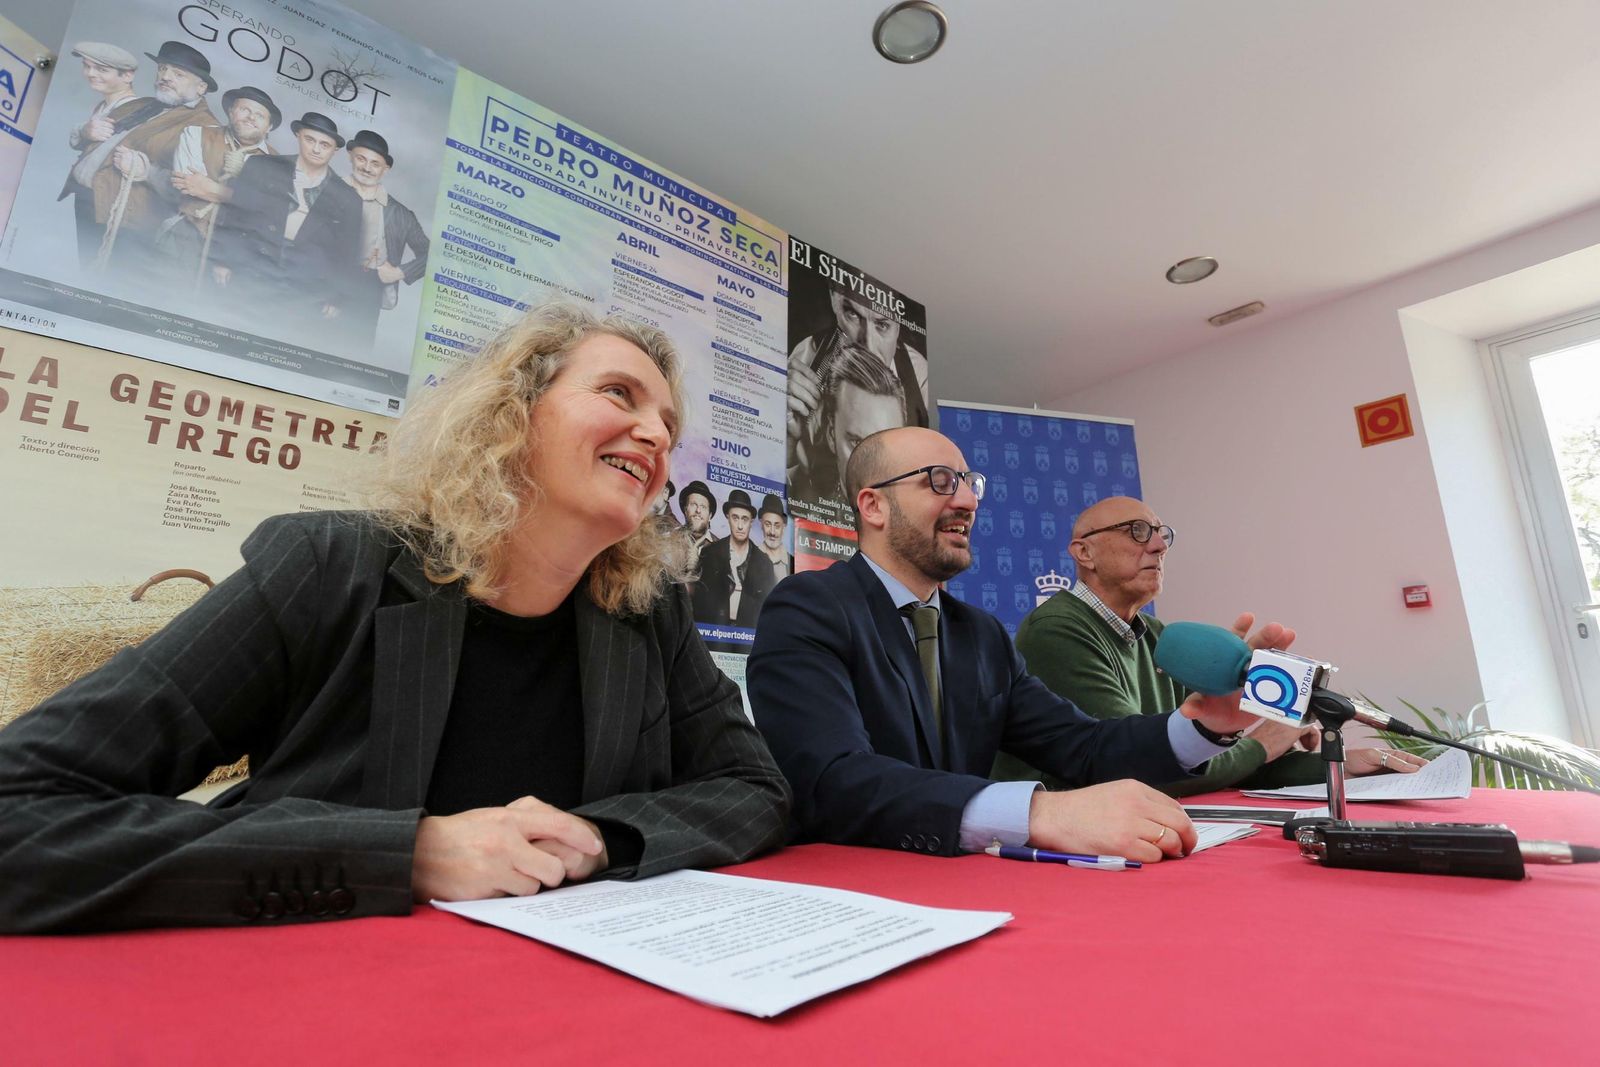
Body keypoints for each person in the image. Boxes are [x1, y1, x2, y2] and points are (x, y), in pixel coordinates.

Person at [0, 302, 790, 933]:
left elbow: (755, 787)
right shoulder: (329, 569)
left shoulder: (648, 614)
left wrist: (600, 840)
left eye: (669, 424)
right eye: (619, 393)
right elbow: (21, 809)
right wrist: (406, 851)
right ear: (511, 412)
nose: (656, 434)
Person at [748, 426, 1287, 863]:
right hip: (849, 888)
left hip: (969, 889)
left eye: (968, 482)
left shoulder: (981, 634)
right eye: (939, 481)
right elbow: (830, 777)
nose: (965, 500)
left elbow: (1083, 746)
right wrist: (1039, 815)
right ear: (873, 506)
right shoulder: (808, 607)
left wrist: (1202, 726)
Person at [999, 496, 1426, 793]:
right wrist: (1265, 740)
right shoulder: (1056, 629)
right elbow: (1138, 766)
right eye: (1137, 531)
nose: (1159, 545)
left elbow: (1203, 759)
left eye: (1162, 533)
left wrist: (1336, 765)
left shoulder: (1161, 637)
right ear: (1084, 553)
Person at [210, 111, 361, 330]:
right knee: (234, 327)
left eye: (324, 144)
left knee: (282, 336)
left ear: (335, 150)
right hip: (252, 266)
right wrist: (223, 259)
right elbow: (234, 215)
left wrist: (336, 297)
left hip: (305, 284)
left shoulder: (348, 198)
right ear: (298, 136)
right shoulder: (262, 166)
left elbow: (347, 252)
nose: (316, 149)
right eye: (310, 140)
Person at [786, 273, 928, 493]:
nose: (868, 346)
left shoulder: (919, 375)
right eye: (852, 314)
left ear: (899, 325)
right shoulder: (803, 360)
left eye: (882, 325)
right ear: (834, 299)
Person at [89, 41, 222, 271]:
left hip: (130, 225)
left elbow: (196, 199)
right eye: (162, 69)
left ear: (201, 88)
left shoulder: (207, 129)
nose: (166, 77)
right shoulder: (142, 104)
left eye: (178, 74)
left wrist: (146, 172)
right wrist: (85, 132)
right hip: (92, 206)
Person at [157, 85, 281, 279]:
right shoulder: (196, 134)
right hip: (187, 232)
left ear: (269, 127)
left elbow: (267, 210)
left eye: (260, 115)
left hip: (236, 249)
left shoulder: (277, 164)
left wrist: (211, 188)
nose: (251, 117)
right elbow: (188, 185)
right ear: (231, 112)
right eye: (244, 110)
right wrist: (245, 197)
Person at [57, 42, 153, 266]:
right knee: (87, 261)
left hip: (108, 202)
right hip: (86, 197)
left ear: (127, 75)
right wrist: (85, 130)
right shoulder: (104, 105)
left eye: (101, 69)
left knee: (101, 265)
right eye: (87, 66)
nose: (90, 74)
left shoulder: (142, 111)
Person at [787, 343, 908, 509]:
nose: (873, 469)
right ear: (831, 435)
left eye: (888, 448)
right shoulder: (800, 495)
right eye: (857, 443)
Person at [341, 130, 430, 346]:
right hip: (320, 280)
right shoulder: (328, 190)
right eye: (361, 158)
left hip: (368, 289)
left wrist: (399, 272)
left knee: (354, 350)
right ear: (350, 156)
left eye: (375, 163)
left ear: (385, 169)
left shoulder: (400, 213)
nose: (367, 168)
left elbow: (432, 255)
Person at [693, 489, 776, 627]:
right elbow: (698, 606)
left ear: (751, 521)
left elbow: (768, 613)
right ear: (728, 517)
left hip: (748, 640)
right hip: (713, 636)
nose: (740, 526)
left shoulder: (764, 563)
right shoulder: (709, 553)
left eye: (745, 519)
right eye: (735, 518)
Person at [678, 480, 719, 554]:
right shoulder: (670, 538)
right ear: (685, 510)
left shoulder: (720, 548)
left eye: (703, 507)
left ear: (710, 516)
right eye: (693, 504)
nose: (698, 510)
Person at [757, 493, 791, 580]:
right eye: (768, 524)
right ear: (761, 524)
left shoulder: (793, 562)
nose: (772, 532)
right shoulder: (750, 557)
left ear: (784, 527)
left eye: (777, 526)